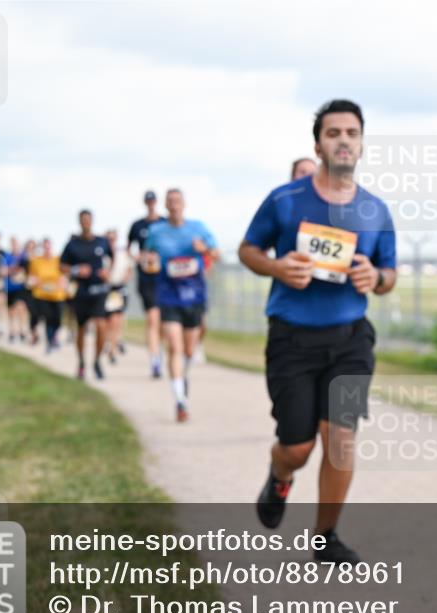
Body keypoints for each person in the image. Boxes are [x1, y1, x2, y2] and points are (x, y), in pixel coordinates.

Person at [240, 99, 397, 564]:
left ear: (362, 144)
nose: (343, 140)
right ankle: (279, 473)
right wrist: (276, 266)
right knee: (298, 446)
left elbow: (389, 274)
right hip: (292, 337)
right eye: (334, 133)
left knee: (342, 438)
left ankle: (325, 537)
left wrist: (377, 278)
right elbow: (248, 249)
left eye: (352, 132)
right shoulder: (285, 200)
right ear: (318, 143)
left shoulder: (375, 210)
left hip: (350, 339)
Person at [145, 189, 219, 422]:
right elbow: (147, 256)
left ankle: (182, 376)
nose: (174, 205)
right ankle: (179, 399)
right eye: (170, 202)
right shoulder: (156, 232)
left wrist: (204, 250)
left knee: (189, 350)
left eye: (178, 201)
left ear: (184, 204)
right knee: (174, 347)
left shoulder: (198, 228)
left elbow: (215, 253)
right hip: (168, 294)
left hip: (194, 294)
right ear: (166, 206)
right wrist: (150, 262)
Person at [60, 210, 113, 380]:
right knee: (81, 329)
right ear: (79, 222)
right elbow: (61, 266)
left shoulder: (102, 242)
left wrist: (108, 271)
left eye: (88, 220)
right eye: (83, 220)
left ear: (92, 221)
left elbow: (112, 257)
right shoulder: (72, 244)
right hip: (81, 291)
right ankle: (82, 362)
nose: (86, 223)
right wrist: (76, 270)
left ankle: (97, 360)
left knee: (101, 325)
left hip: (99, 290)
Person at [127, 190, 165, 378]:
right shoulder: (137, 225)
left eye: (153, 201)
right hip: (146, 278)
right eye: (148, 201)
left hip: (164, 278)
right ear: (145, 203)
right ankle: (155, 360)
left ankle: (162, 350)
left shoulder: (164, 223)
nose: (151, 203)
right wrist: (140, 257)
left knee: (164, 322)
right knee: (152, 318)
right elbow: (129, 250)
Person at [27, 238, 68, 352]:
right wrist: (34, 282)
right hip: (42, 295)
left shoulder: (58, 260)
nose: (47, 249)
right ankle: (50, 341)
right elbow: (32, 278)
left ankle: (53, 337)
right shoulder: (36, 261)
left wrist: (63, 282)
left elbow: (64, 275)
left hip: (57, 295)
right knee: (48, 318)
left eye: (48, 246)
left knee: (58, 319)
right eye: (45, 247)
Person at [104, 228, 134, 364]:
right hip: (106, 289)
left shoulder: (123, 254)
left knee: (118, 319)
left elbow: (129, 269)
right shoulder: (102, 254)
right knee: (109, 321)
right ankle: (110, 343)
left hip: (119, 288)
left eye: (113, 238)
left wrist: (124, 279)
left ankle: (114, 347)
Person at [5, 236, 30, 343]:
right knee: (12, 311)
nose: (15, 246)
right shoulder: (7, 257)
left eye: (16, 244)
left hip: (21, 288)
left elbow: (27, 270)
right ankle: (12, 331)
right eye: (13, 244)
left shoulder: (23, 257)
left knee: (22, 308)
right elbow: (2, 271)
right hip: (10, 287)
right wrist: (13, 269)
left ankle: (22, 331)